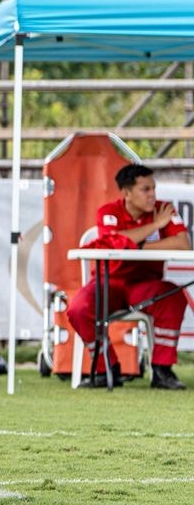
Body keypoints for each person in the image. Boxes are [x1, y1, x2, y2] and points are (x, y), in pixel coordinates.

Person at [65, 164, 189, 390]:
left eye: (153, 188)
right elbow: (113, 239)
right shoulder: (108, 212)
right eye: (145, 189)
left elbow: (182, 244)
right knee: (79, 308)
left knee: (173, 297)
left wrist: (138, 246)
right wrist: (155, 227)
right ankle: (106, 369)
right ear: (126, 193)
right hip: (109, 282)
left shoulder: (164, 209)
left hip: (145, 284)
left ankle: (162, 370)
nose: (153, 194)